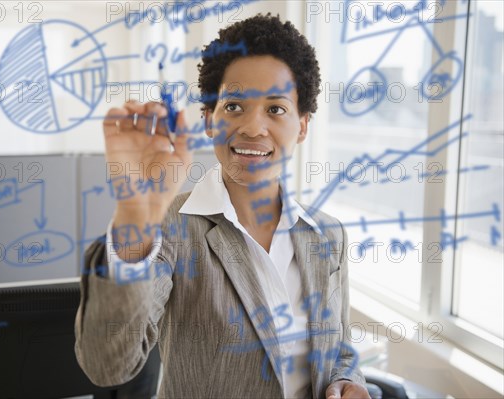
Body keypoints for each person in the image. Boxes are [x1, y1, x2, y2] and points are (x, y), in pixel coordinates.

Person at [75, 13, 371, 399]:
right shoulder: (170, 227)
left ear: (302, 126)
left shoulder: (328, 234)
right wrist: (135, 214)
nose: (252, 127)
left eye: (276, 109)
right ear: (209, 121)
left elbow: (339, 350)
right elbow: (108, 364)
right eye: (234, 106)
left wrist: (348, 382)